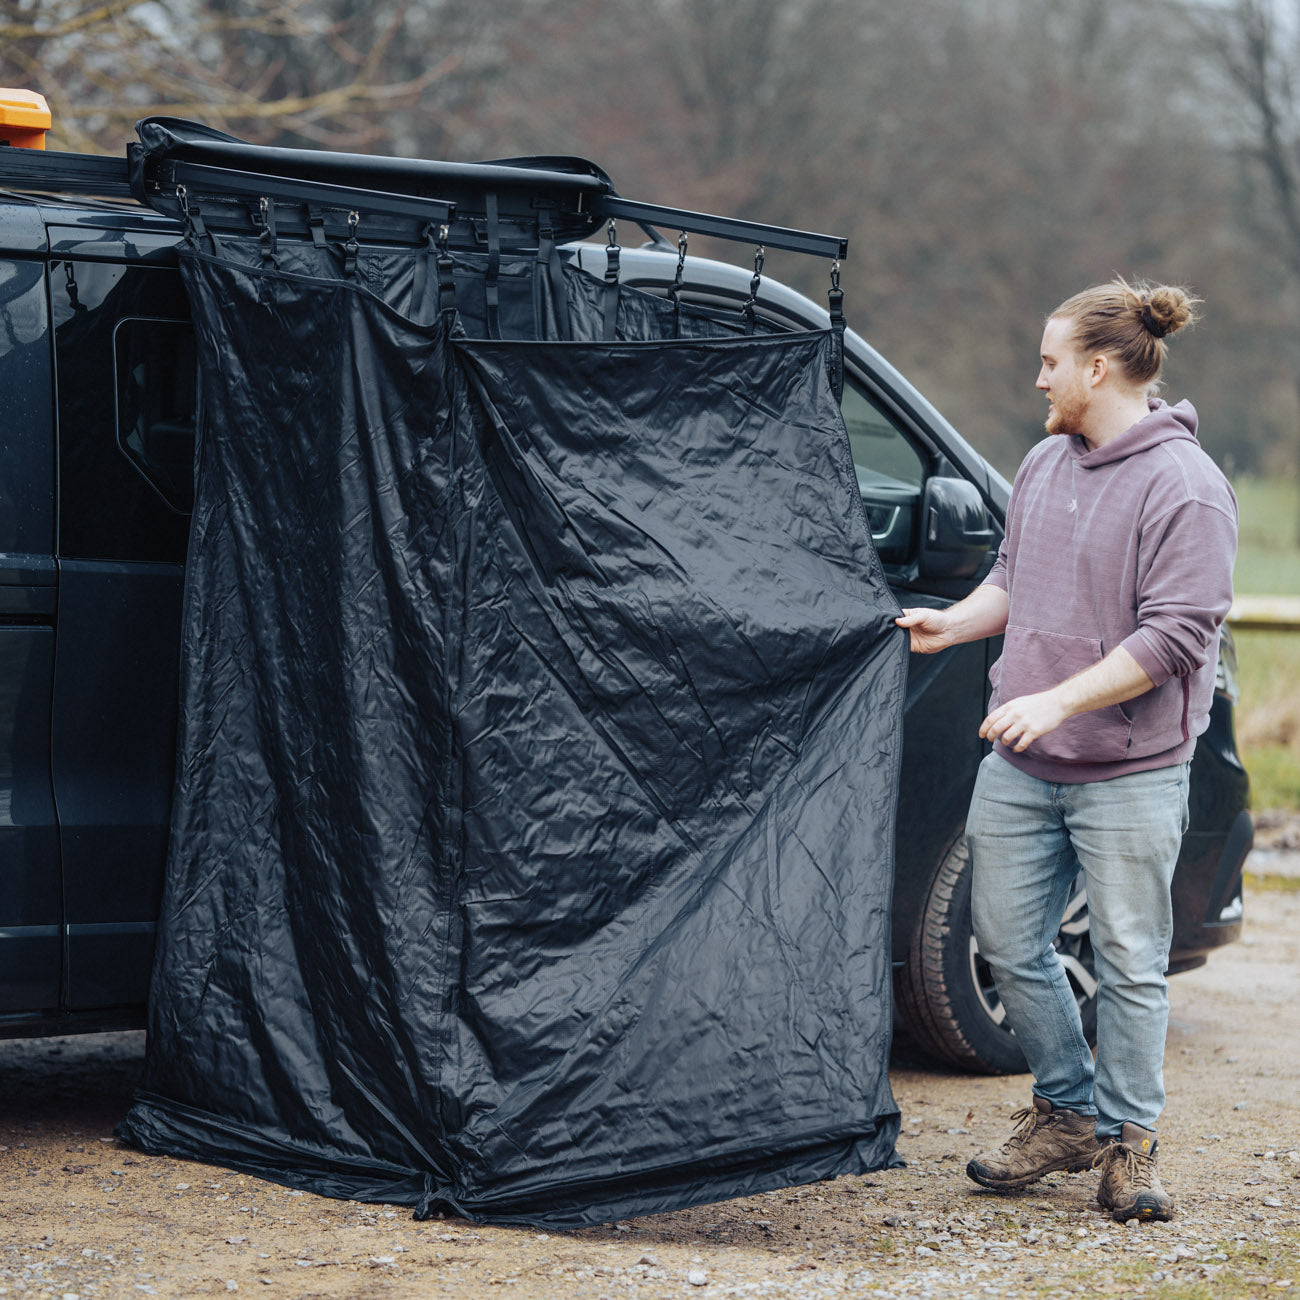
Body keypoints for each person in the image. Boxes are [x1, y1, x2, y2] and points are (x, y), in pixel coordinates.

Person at [896, 279, 1237, 1224]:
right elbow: (1015, 574)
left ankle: (1130, 1144)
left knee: (1130, 960)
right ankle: (1064, 1112)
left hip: (1129, 770)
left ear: (1097, 367)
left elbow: (1174, 639)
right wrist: (954, 624)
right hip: (1024, 761)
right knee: (1006, 942)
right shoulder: (1046, 463)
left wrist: (1055, 701)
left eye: (1050, 362)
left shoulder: (1187, 489)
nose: (1037, 378)